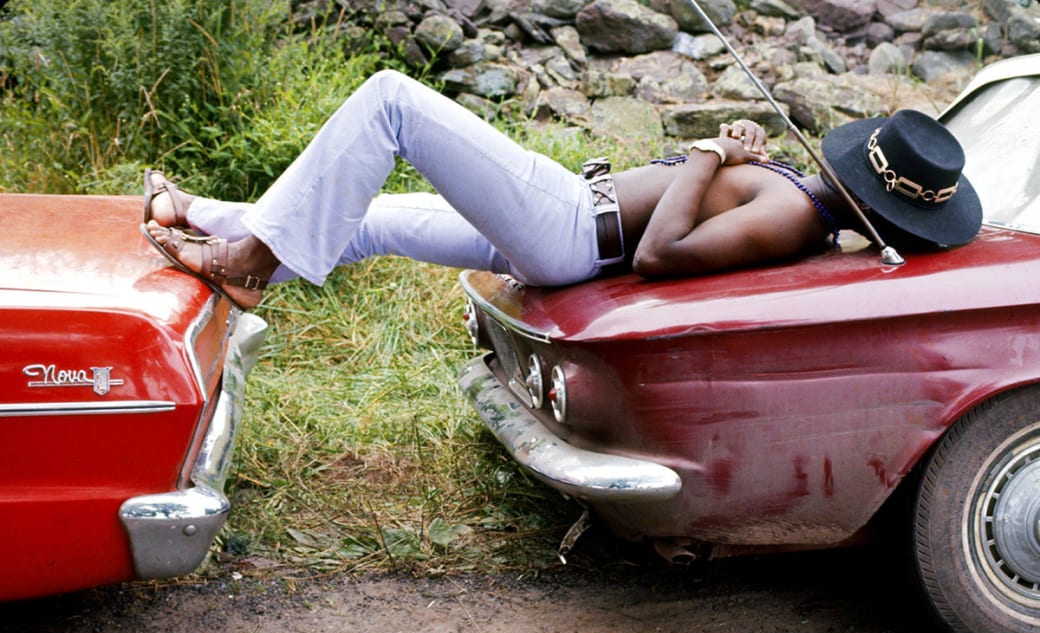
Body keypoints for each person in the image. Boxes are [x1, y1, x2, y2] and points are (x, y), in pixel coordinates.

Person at [141, 69, 982, 309]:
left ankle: (246, 259)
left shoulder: (794, 215)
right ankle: (206, 222)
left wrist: (705, 154)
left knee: (392, 100)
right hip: (569, 218)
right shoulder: (793, 196)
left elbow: (660, 256)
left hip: (576, 230)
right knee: (371, 221)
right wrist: (738, 158)